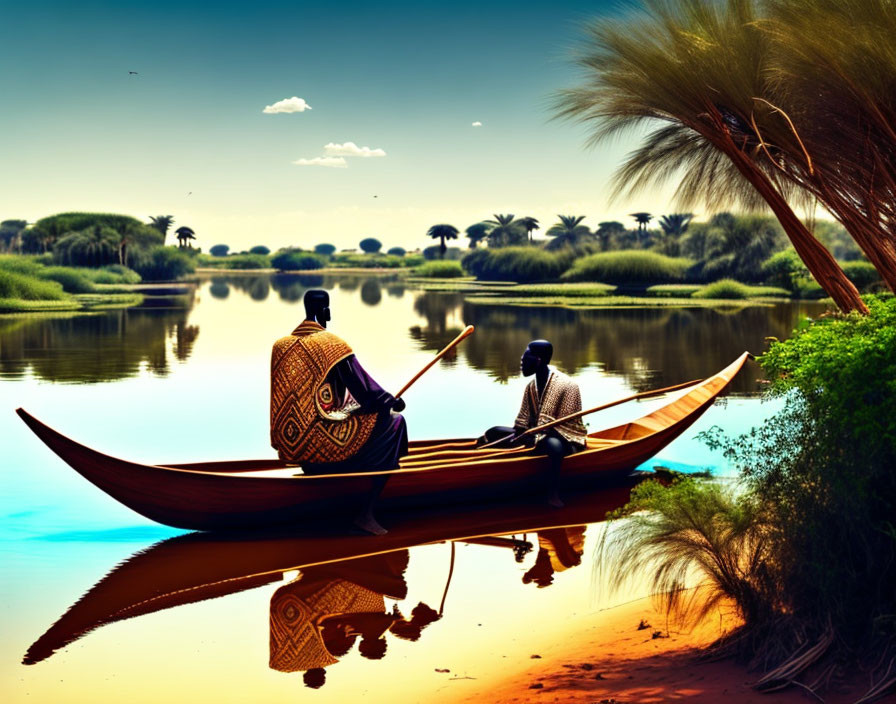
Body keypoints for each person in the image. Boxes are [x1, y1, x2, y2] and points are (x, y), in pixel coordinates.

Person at [270, 289, 408, 534]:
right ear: (326, 311)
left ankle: (331, 481)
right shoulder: (331, 344)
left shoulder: (280, 346)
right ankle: (367, 512)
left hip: (294, 447)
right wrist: (391, 401)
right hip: (324, 444)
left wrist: (366, 404)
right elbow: (365, 390)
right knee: (396, 422)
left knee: (369, 416)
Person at [479, 340, 586, 507]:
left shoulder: (568, 385)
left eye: (525, 356)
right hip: (536, 435)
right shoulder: (531, 387)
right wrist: (522, 433)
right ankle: (490, 468)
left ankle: (553, 494)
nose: (521, 360)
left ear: (538, 360)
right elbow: (523, 421)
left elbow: (569, 427)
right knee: (494, 432)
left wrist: (537, 435)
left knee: (553, 447)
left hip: (564, 438)